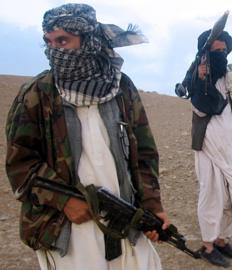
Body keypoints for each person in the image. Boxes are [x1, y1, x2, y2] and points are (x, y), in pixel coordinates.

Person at [5, 3, 168, 269]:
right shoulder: (38, 94)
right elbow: (20, 165)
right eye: (49, 42)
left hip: (124, 215)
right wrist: (65, 201)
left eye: (63, 40)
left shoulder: (121, 87)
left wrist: (152, 205)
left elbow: (145, 154)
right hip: (70, 226)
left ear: (87, 40)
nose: (55, 50)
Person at [187, 29, 232, 268]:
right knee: (211, 193)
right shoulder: (196, 77)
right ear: (205, 52)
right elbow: (200, 109)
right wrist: (201, 80)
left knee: (229, 195)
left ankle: (222, 239)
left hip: (231, 146)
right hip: (207, 146)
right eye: (215, 50)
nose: (221, 54)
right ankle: (207, 245)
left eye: (224, 50)